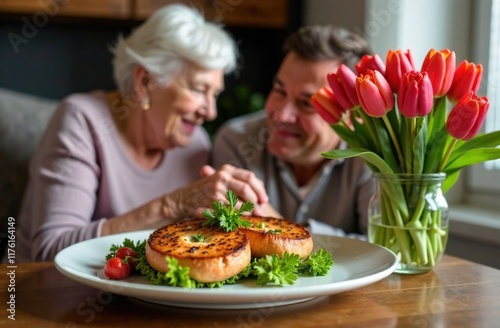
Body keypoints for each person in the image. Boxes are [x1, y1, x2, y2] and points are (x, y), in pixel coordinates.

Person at [15, 4, 268, 262]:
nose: (211, 112)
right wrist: (173, 205)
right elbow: (51, 251)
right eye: (199, 89)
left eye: (214, 94)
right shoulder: (82, 120)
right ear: (145, 81)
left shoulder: (196, 143)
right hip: (37, 294)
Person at [207, 25, 376, 238]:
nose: (282, 115)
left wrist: (277, 227)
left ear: (353, 117)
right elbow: (227, 237)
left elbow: (382, 250)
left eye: (307, 103)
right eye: (279, 91)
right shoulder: (236, 142)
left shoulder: (374, 159)